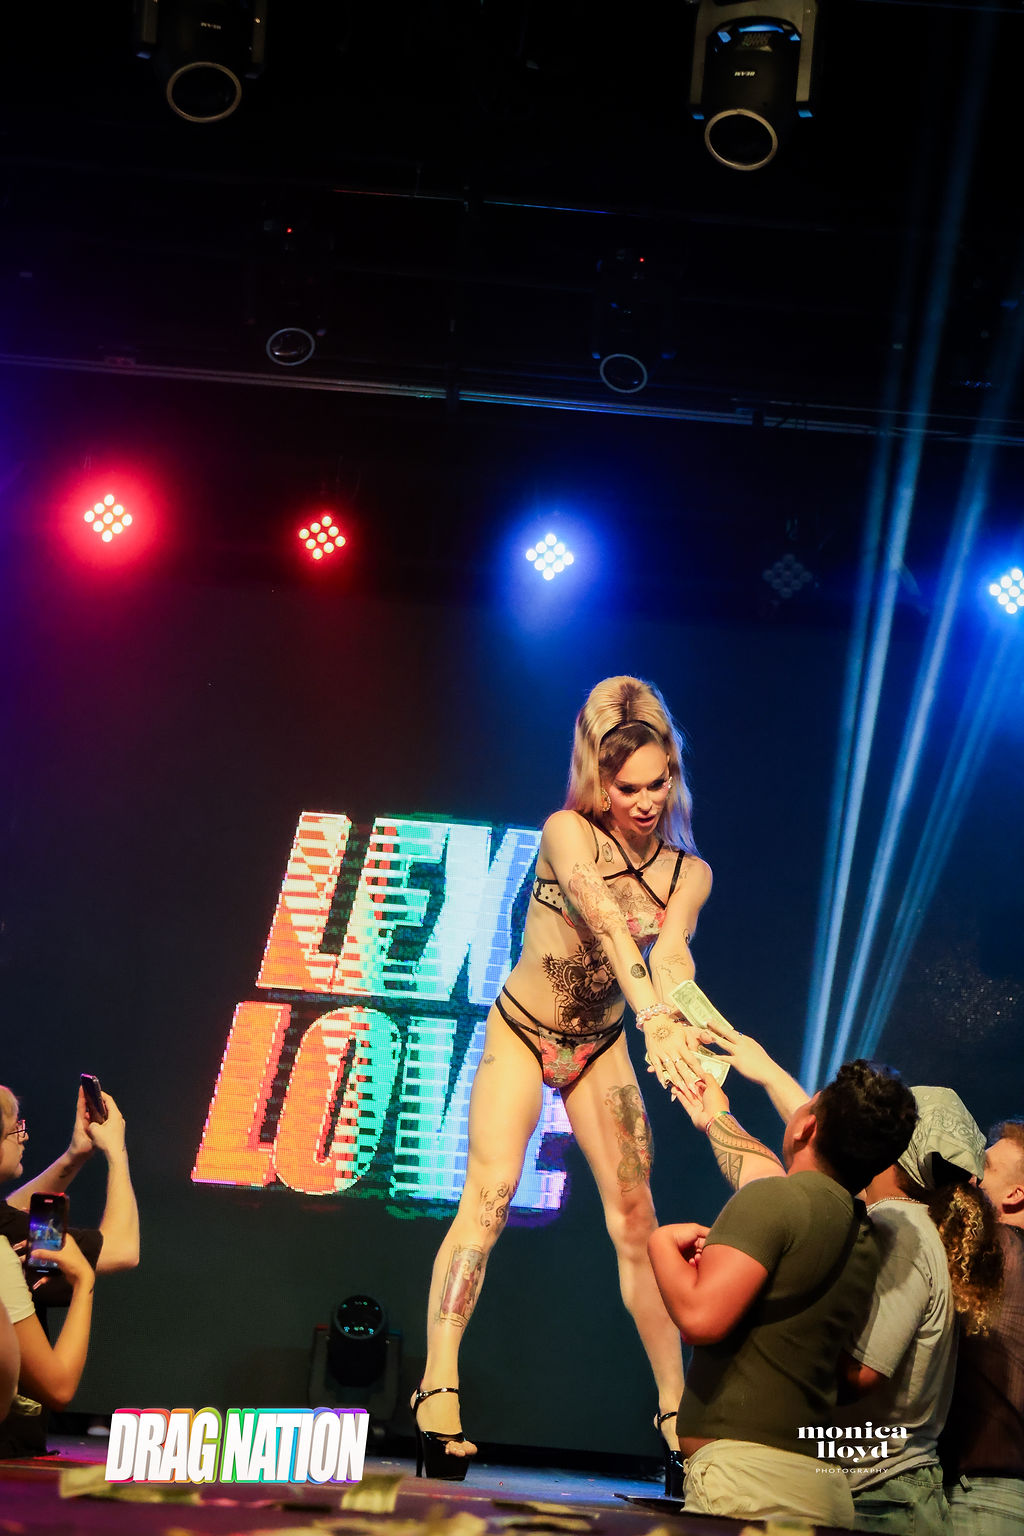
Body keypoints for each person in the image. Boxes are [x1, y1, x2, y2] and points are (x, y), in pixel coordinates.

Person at [414, 676, 714, 1478]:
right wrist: (654, 1018)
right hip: (522, 1030)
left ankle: (676, 1413)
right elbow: (610, 927)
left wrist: (681, 1017)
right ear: (600, 780)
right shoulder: (566, 832)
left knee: (637, 1219)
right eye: (627, 787)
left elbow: (669, 954)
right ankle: (437, 1387)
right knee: (489, 1197)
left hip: (600, 1044)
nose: (644, 802)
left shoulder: (689, 873)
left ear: (673, 778)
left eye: (657, 784)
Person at [649, 1058, 918, 1528]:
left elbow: (699, 1317)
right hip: (818, 1485)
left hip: (748, 1486)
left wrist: (659, 1244)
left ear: (806, 1126)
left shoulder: (774, 1201)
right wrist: (717, 1118)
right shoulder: (862, 1232)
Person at [0, 1081, 139, 1454]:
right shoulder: (3, 1248)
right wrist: (116, 1152)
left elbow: (10, 1214)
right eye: (15, 1129)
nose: (24, 1137)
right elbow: (123, 1248)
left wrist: (74, 1156)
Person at [942, 1119, 1024, 1535]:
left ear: (1015, 1194)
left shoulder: (996, 1251)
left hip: (983, 1500)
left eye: (984, 1167)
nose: (970, 1176)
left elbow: (862, 1168)